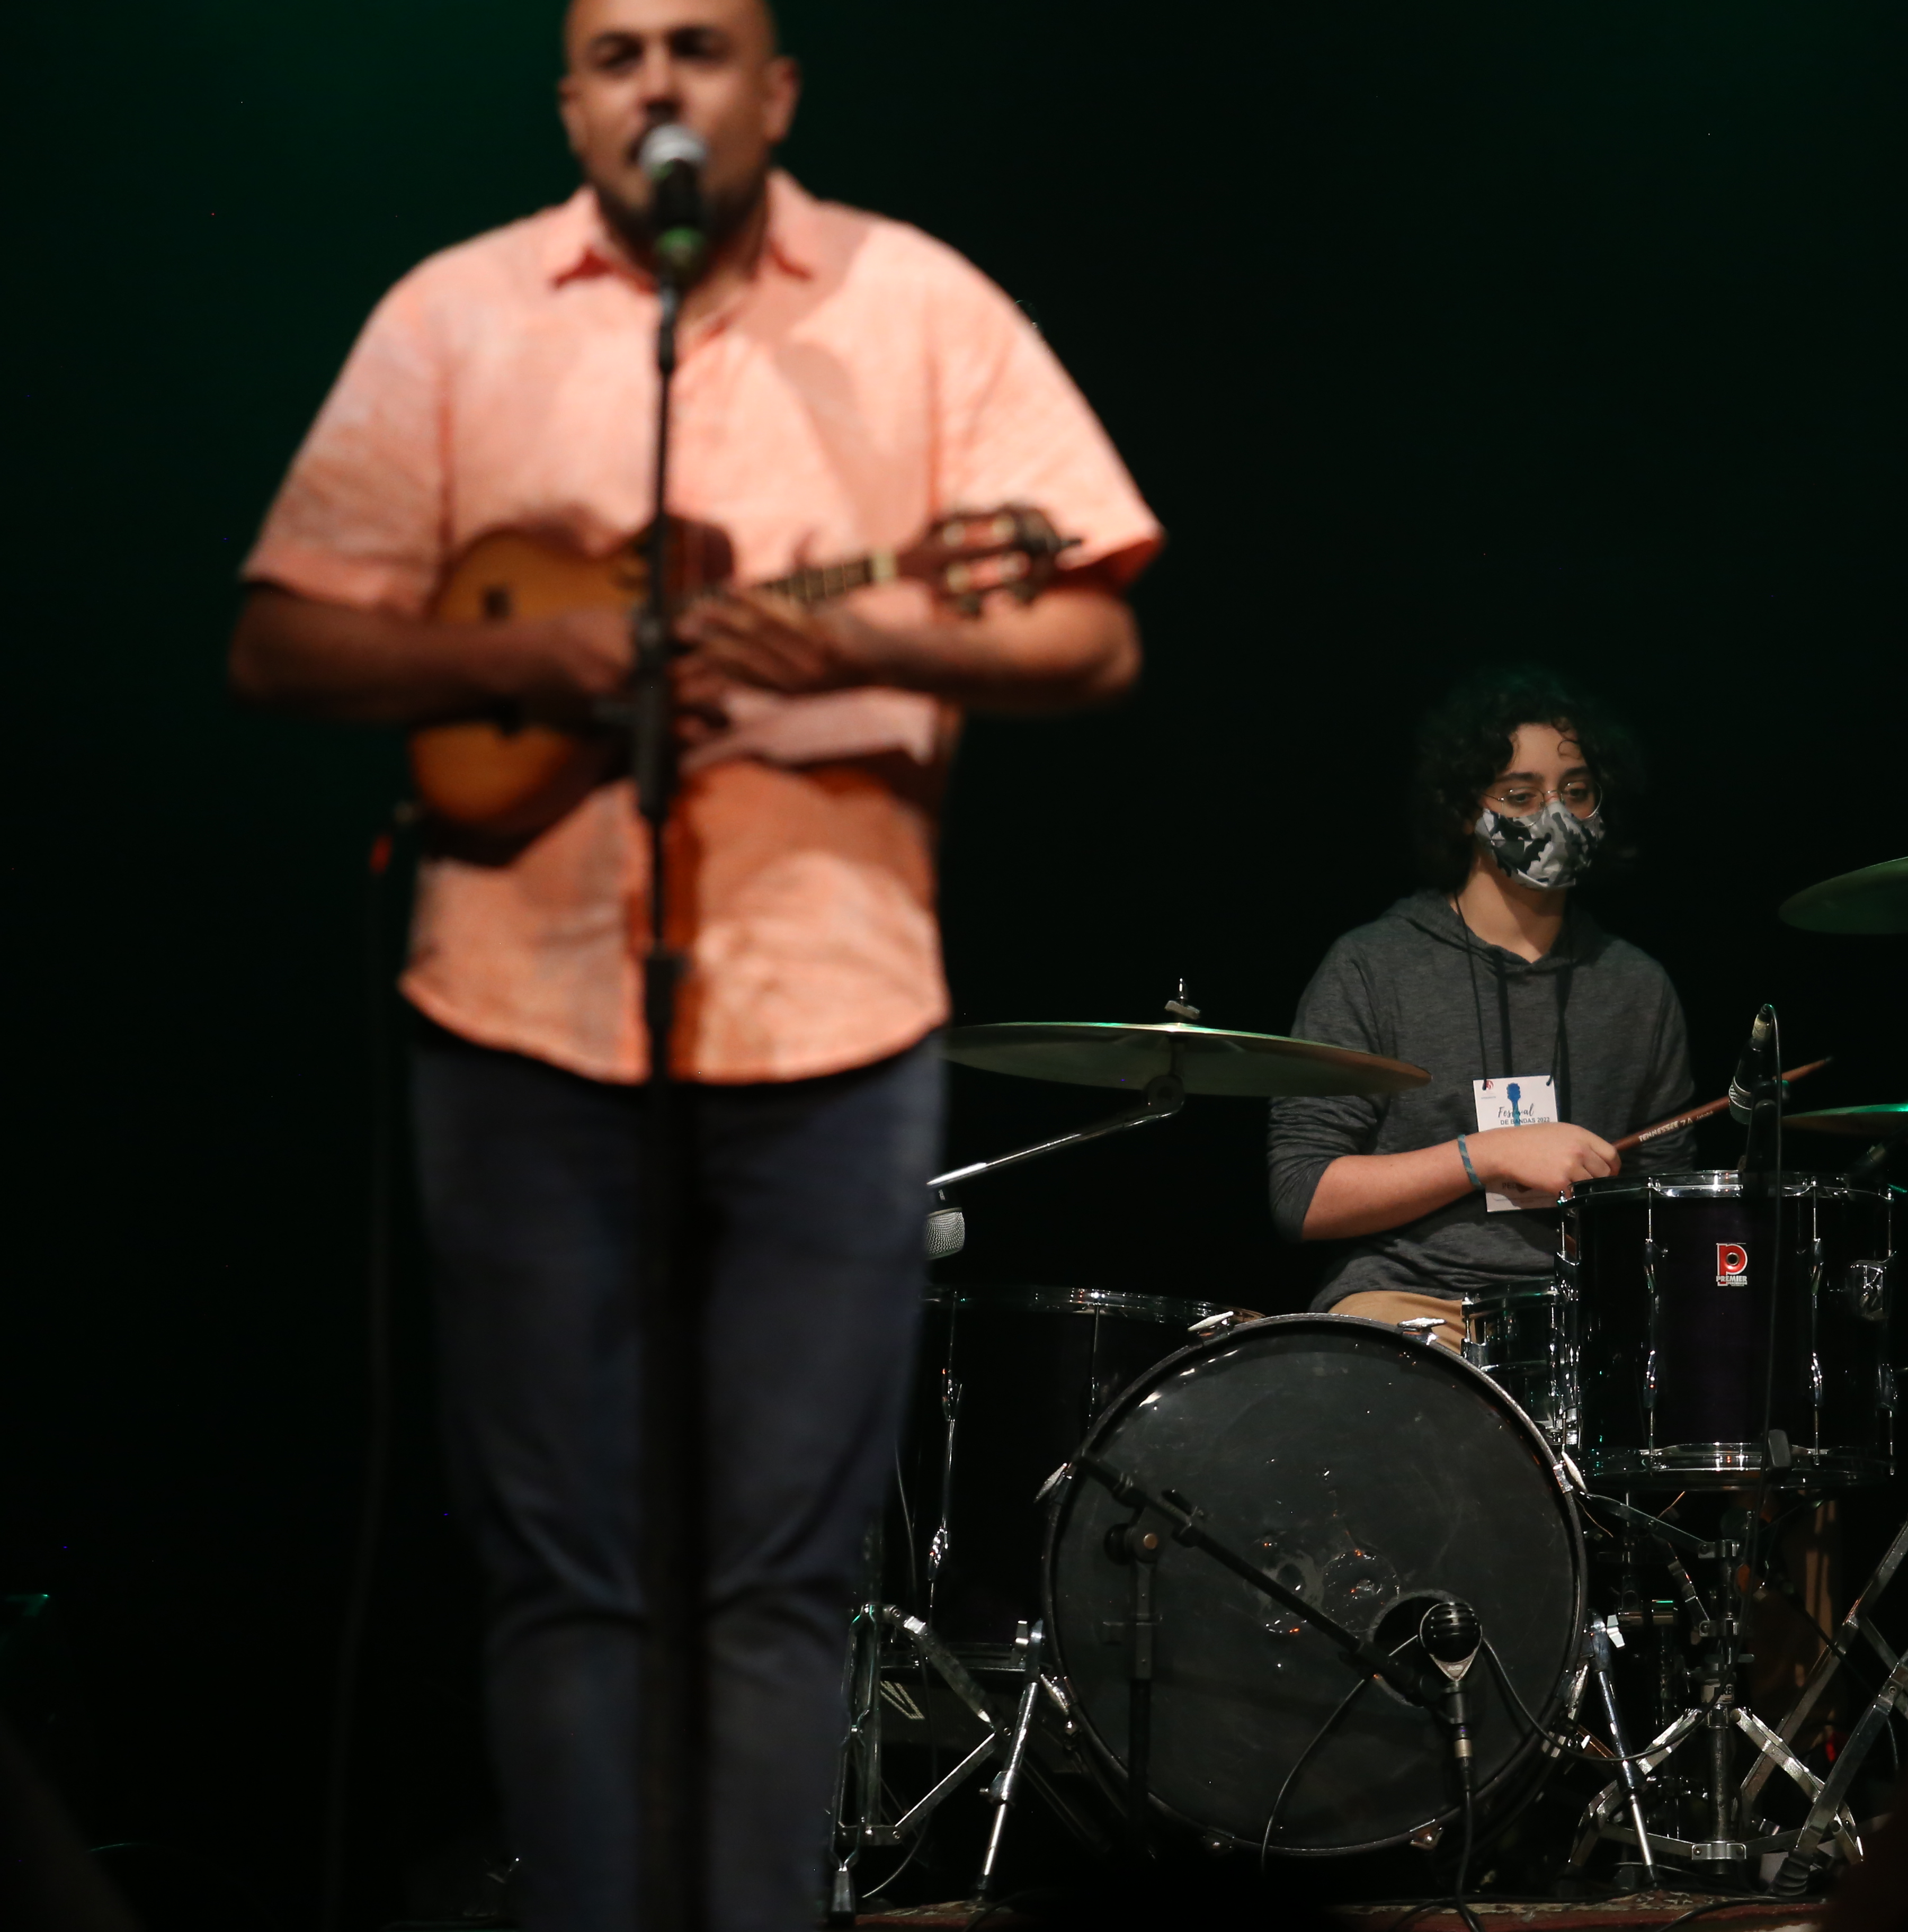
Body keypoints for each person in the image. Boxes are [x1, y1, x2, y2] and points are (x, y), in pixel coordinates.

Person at [226, 3, 1158, 1927]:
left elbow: (1092, 627)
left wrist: (871, 645)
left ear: (777, 89)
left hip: (834, 1025)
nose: (660, 81)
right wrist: (534, 656)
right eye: (618, 50)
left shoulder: (917, 305)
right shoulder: (454, 316)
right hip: (519, 1014)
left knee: (777, 1577)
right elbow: (284, 643)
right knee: (563, 1569)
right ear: (571, 98)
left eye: (704, 46)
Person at [1269, 670, 1701, 1334]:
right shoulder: (1373, 966)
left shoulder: (1636, 987)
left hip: (1577, 1319)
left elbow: (1665, 1210)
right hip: (1410, 1305)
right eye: (1521, 796)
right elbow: (1301, 1195)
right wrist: (1483, 1156)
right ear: (1467, 810)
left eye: (1576, 792)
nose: (1556, 815)